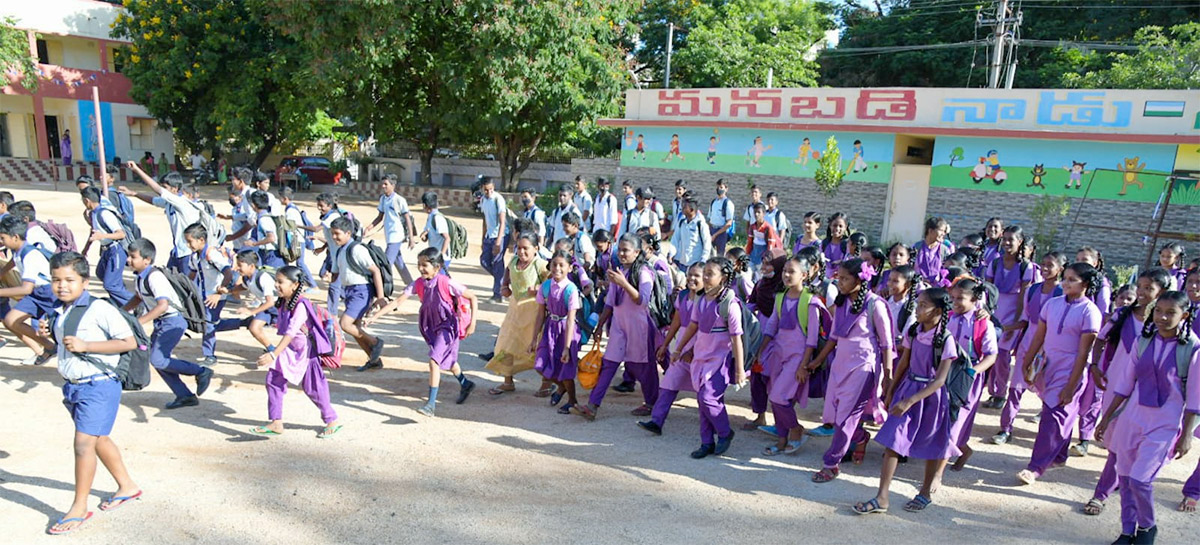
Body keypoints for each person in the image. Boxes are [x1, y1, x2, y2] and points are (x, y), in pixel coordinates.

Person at [40, 251, 141, 535]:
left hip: (99, 384)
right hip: (74, 387)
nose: (62, 285)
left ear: (85, 282)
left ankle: (79, 507)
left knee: (83, 444)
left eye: (70, 280)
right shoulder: (61, 310)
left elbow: (128, 342)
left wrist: (88, 346)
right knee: (97, 439)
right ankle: (127, 486)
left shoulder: (101, 309)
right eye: (56, 280)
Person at [1095, 290, 1198, 544]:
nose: (1163, 317)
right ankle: (1127, 530)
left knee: (1141, 479)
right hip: (1132, 419)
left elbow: (1195, 398)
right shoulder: (1144, 340)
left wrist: (1186, 436)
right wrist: (1106, 418)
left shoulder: (1193, 349)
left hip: (1164, 424)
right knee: (1127, 478)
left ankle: (1147, 527)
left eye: (1171, 313)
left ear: (1184, 315)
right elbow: (1124, 384)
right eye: (1159, 311)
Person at [853, 288, 959, 515]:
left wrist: (911, 400)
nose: (917, 309)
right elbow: (904, 363)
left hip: (930, 398)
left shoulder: (947, 340)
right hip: (908, 389)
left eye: (923, 306)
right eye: (918, 304)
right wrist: (891, 388)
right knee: (893, 439)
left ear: (938, 311)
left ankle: (925, 493)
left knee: (932, 445)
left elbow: (940, 380)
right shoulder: (914, 331)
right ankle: (882, 497)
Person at [1082, 268, 1171, 517]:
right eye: (1140, 287)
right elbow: (1100, 339)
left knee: (1124, 443)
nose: (1141, 293)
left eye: (1148, 289)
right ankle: (1114, 484)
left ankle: (1101, 493)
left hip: (1146, 390)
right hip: (1117, 384)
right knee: (1114, 439)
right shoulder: (1123, 314)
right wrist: (1097, 366)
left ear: (1161, 292)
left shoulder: (1164, 323)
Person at [800, 258, 894, 483]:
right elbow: (834, 336)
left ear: (860, 280)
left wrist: (888, 376)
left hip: (863, 368)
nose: (839, 282)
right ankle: (860, 438)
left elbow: (887, 344)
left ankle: (831, 463)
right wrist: (817, 361)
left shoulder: (875, 305)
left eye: (845, 278)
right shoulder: (841, 304)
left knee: (846, 417)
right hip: (839, 366)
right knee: (835, 415)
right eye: (838, 277)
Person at [1016, 262, 1103, 485]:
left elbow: (1083, 354)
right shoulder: (1052, 304)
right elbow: (1038, 337)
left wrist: (1071, 385)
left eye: (1072, 279)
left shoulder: (1089, 312)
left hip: (1070, 369)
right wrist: (1026, 363)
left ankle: (1035, 467)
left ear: (1085, 284)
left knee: (1052, 416)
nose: (1065, 282)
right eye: (1065, 278)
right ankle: (1060, 456)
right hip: (1048, 365)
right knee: (1058, 412)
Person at [368, 248, 478, 417]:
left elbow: (473, 297)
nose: (420, 268)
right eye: (419, 265)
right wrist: (375, 316)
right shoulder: (418, 283)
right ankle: (465, 383)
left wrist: (472, 324)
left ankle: (430, 405)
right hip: (430, 327)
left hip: (447, 327)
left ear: (437, 267)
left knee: (434, 361)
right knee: (446, 359)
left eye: (424, 265)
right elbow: (398, 301)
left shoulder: (446, 282)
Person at [249, 266, 342, 439]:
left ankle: (332, 420)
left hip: (306, 353)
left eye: (280, 282)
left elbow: (291, 332)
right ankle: (276, 422)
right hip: (290, 351)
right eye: (276, 281)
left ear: (295, 285)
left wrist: (273, 354)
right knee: (273, 380)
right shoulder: (284, 302)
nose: (276, 285)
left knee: (314, 387)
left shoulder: (301, 305)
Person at [574, 234, 658, 421]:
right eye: (619, 249)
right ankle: (592, 406)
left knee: (642, 368)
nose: (621, 253)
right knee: (608, 365)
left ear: (637, 252)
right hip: (619, 327)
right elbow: (610, 303)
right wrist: (599, 326)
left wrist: (623, 283)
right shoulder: (618, 271)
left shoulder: (644, 272)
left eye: (626, 250)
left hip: (639, 328)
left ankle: (652, 403)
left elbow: (642, 300)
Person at [123, 238, 214, 409]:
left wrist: (138, 322)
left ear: (146, 260)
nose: (128, 260)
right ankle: (184, 395)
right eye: (129, 256)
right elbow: (138, 297)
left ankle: (201, 371)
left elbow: (163, 305)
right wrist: (122, 312)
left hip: (172, 322)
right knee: (156, 358)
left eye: (132, 257)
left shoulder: (154, 277)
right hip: (163, 323)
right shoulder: (140, 278)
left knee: (158, 359)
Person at [670, 256, 747, 458]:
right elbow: (693, 326)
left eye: (710, 274)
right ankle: (706, 443)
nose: (705, 277)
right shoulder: (702, 299)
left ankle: (724, 432)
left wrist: (739, 370)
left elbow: (737, 339)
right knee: (702, 400)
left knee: (708, 398)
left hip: (719, 362)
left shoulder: (730, 304)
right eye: (705, 273)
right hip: (700, 360)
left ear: (723, 277)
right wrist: (678, 349)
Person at [992, 251, 1066, 444]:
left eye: (1050, 265)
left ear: (1060, 269)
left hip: (1050, 348)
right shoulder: (1032, 290)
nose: (1045, 269)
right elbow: (1025, 320)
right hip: (1028, 345)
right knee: (1016, 388)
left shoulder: (1062, 295)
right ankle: (1005, 429)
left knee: (1047, 392)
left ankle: (1048, 433)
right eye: (1043, 264)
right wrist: (1006, 328)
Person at [761, 252, 828, 455]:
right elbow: (772, 324)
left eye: (792, 272)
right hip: (778, 354)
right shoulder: (780, 298)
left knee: (779, 396)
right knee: (775, 396)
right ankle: (782, 439)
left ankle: (796, 429)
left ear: (805, 275)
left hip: (797, 357)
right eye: (785, 271)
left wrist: (804, 366)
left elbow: (812, 339)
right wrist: (761, 350)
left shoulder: (811, 302)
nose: (786, 275)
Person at [640, 263, 704, 435]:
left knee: (703, 391)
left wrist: (693, 351)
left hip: (700, 350)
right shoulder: (683, 296)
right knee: (668, 384)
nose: (692, 278)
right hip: (680, 349)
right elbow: (676, 321)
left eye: (697, 276)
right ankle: (656, 421)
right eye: (690, 274)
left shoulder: (706, 300)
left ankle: (712, 427)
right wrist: (666, 344)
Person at [485, 231, 548, 394]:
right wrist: (505, 287)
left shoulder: (540, 265)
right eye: (518, 248)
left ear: (536, 248)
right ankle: (508, 381)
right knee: (506, 346)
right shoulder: (513, 261)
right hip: (514, 313)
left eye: (525, 248)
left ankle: (546, 382)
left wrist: (540, 289)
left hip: (533, 316)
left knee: (533, 349)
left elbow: (553, 284)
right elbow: (506, 276)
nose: (521, 252)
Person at [946, 278, 999, 471]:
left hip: (968, 376)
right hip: (947, 372)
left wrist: (972, 372)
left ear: (975, 299)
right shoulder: (949, 317)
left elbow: (991, 355)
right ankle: (963, 449)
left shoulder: (983, 323)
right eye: (953, 298)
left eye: (961, 298)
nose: (956, 303)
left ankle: (936, 473)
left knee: (957, 420)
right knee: (944, 417)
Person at [981, 226, 1035, 410]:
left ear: (1020, 242)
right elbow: (987, 291)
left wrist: (1015, 324)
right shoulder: (995, 263)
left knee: (1003, 358)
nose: (1006, 243)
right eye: (1004, 239)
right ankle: (991, 391)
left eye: (1011, 239)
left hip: (1012, 316)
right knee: (989, 354)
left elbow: (1023, 296)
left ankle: (1000, 393)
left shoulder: (1025, 266)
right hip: (993, 314)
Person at [120, 163, 201, 276]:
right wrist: (134, 193)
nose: (163, 190)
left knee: (187, 286)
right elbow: (153, 200)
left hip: (187, 253)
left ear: (175, 189)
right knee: (168, 280)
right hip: (177, 251)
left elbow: (158, 190)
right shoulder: (169, 203)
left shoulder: (181, 202)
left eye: (165, 187)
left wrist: (137, 170)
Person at [329, 217, 387, 372]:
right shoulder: (340, 250)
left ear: (348, 233)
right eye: (332, 234)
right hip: (349, 292)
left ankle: (375, 342)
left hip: (362, 291)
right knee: (355, 328)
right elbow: (335, 273)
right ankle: (374, 360)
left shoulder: (357, 249)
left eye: (337, 234)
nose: (334, 237)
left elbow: (375, 271)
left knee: (345, 324)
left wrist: (380, 297)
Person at [0, 215, 58, 365]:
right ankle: (49, 347)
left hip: (49, 293)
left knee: (63, 329)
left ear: (15, 237)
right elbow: (14, 260)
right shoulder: (18, 249)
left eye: (2, 238)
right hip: (35, 295)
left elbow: (26, 289)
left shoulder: (30, 255)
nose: (1, 241)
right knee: (10, 320)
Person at [531, 250, 583, 413]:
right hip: (550, 329)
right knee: (540, 365)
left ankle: (572, 400)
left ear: (569, 268)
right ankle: (561, 388)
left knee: (565, 369)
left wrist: (567, 347)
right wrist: (534, 338)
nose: (557, 268)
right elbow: (540, 314)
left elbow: (570, 319)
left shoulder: (571, 289)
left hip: (566, 331)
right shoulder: (545, 286)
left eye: (562, 265)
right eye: (554, 264)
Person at [185, 223, 234, 366]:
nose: (188, 245)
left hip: (216, 297)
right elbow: (192, 274)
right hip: (204, 296)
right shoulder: (194, 257)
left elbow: (228, 272)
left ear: (201, 240)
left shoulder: (211, 254)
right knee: (212, 323)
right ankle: (243, 322)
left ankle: (210, 356)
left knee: (208, 324)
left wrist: (219, 293)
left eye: (190, 241)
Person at [215, 250, 280, 353]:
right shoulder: (248, 278)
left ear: (251, 266)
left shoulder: (263, 278)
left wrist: (251, 311)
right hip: (267, 307)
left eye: (240, 265)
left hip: (279, 308)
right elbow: (243, 287)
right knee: (254, 328)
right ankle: (272, 349)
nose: (237, 268)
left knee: (289, 333)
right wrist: (229, 291)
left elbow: (270, 302)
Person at [80, 187, 134, 306]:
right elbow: (94, 232)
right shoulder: (93, 214)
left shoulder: (104, 214)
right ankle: (121, 301)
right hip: (107, 250)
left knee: (110, 284)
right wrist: (85, 249)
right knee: (101, 273)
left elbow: (121, 234)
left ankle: (136, 303)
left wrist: (102, 235)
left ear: (87, 201)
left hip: (116, 249)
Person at [363, 174, 417, 287]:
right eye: (382, 184)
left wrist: (411, 238)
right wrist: (369, 227)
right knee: (399, 262)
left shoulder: (399, 200)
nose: (383, 186)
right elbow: (380, 217)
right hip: (388, 234)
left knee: (386, 263)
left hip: (396, 235)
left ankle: (381, 288)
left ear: (393, 185)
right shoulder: (383, 199)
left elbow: (407, 218)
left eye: (386, 184)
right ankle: (412, 285)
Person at [476, 177, 508, 301]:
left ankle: (498, 294)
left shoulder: (498, 199)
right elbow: (484, 220)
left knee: (497, 263)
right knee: (484, 261)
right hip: (489, 236)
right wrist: (483, 238)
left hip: (500, 235)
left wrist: (499, 241)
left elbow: (502, 222)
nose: (488, 192)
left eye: (490, 189)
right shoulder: (483, 200)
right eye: (486, 190)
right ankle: (503, 279)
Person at [278, 187, 316, 287]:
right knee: (298, 263)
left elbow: (290, 228)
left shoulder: (290, 211)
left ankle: (313, 285)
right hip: (299, 239)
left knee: (300, 263)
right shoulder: (293, 208)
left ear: (285, 198)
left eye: (280, 198)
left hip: (297, 240)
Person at [669, 195, 712, 271]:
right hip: (682, 263)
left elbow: (707, 244)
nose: (682, 209)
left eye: (685, 207)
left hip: (696, 264)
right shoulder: (682, 222)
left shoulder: (701, 224)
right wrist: (671, 254)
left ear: (692, 209)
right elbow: (675, 240)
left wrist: (703, 261)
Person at [912, 217, 952, 284]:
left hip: (936, 289)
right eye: (941, 230)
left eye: (944, 231)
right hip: (917, 286)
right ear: (930, 231)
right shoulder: (917, 247)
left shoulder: (944, 250)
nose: (943, 234)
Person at [419, 192, 452, 272]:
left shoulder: (438, 219)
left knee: (440, 280)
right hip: (433, 256)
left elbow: (447, 238)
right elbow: (428, 233)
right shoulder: (430, 217)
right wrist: (424, 236)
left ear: (426, 205)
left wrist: (441, 256)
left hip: (441, 258)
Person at [744, 203, 781, 269]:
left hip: (762, 257)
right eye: (755, 212)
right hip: (753, 255)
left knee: (759, 275)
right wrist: (747, 253)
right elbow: (750, 242)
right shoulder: (752, 227)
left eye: (759, 212)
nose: (756, 214)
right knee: (749, 274)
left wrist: (767, 258)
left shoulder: (768, 228)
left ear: (764, 214)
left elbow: (771, 245)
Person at [708, 180, 735, 255]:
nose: (719, 189)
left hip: (721, 232)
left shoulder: (728, 203)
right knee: (710, 254)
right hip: (712, 230)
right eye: (717, 187)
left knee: (720, 255)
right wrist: (709, 232)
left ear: (726, 189)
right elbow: (710, 219)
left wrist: (715, 235)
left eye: (721, 187)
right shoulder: (713, 202)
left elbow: (729, 223)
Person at [821, 212, 850, 279]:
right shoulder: (824, 243)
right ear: (830, 226)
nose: (837, 228)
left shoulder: (848, 245)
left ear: (845, 227)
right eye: (834, 225)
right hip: (823, 279)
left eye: (840, 226)